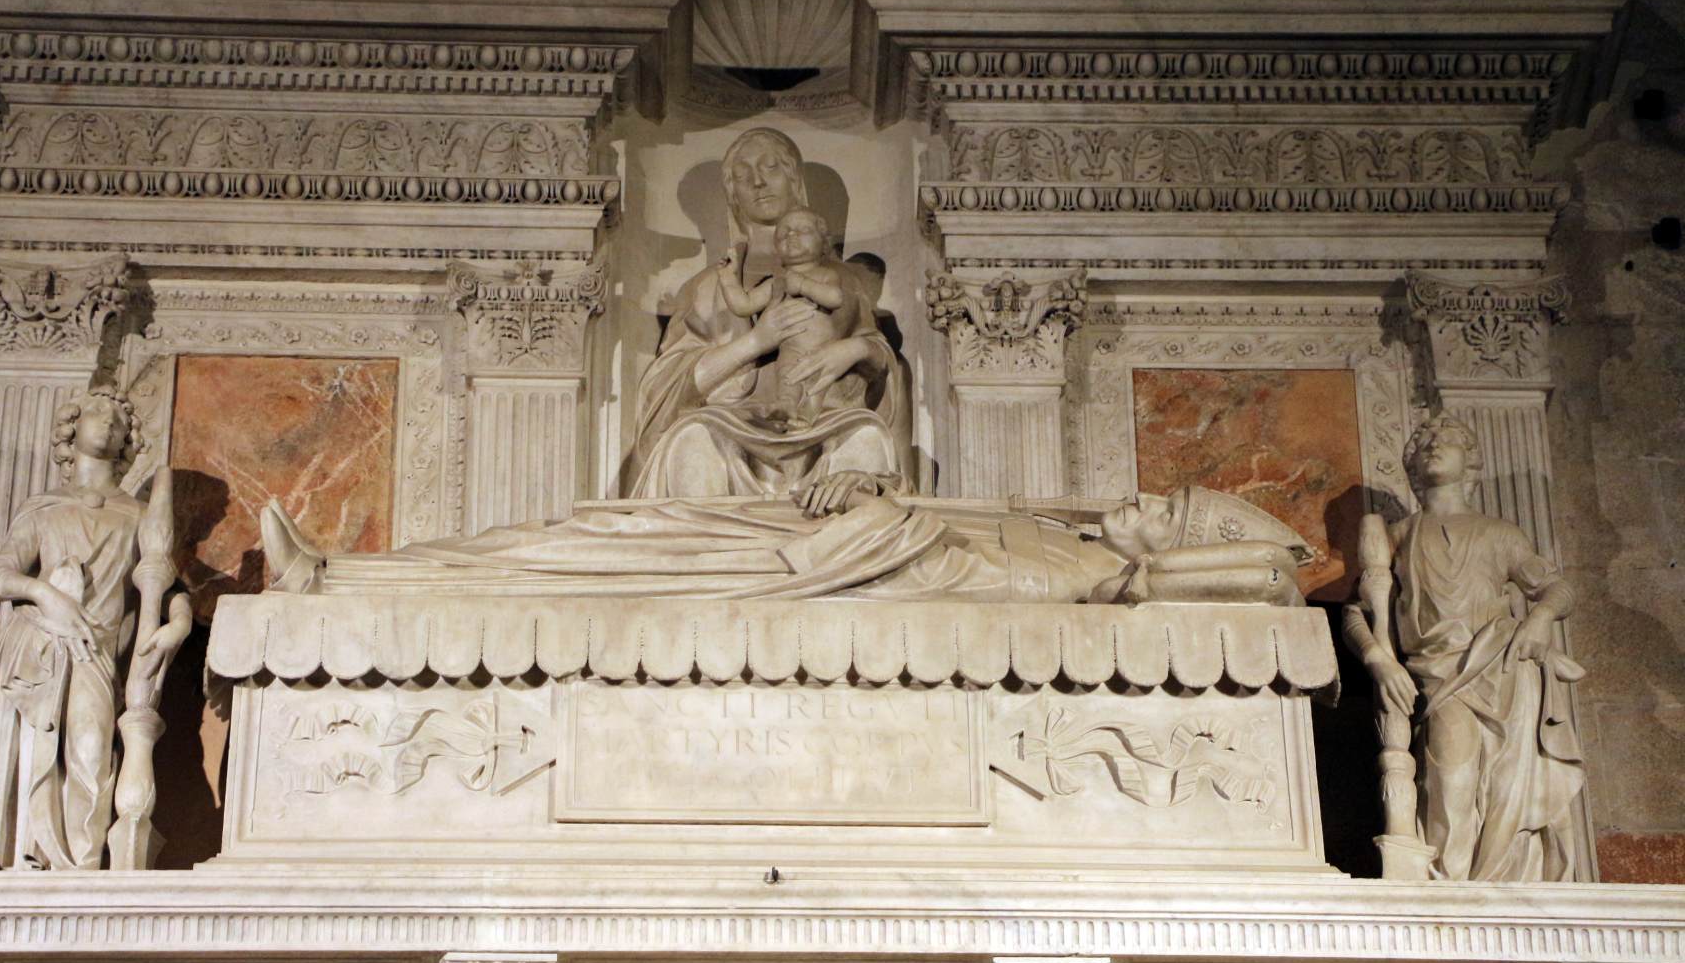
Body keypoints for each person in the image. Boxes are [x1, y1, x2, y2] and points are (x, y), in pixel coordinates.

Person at [261, 471, 1307, 607]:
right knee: (608, 522)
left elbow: (953, 576)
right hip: (803, 536)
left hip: (797, 570)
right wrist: (878, 487)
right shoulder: (1061, 525)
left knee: (588, 562)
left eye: (1167, 515)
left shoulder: (1094, 581)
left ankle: (340, 583)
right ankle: (345, 571)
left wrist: (880, 519)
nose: (1144, 504)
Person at [1342, 413, 1587, 881]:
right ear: (1412, 466)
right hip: (1438, 676)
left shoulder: (1500, 534)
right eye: (1426, 442)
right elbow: (1357, 613)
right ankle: (1451, 887)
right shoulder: (1400, 535)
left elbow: (1558, 590)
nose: (1435, 446)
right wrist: (1377, 660)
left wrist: (1538, 619)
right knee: (1450, 777)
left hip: (1504, 668)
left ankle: (1496, 884)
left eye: (1448, 441)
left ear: (1470, 462)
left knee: (1505, 785)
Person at [0, 390, 191, 870]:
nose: (108, 423)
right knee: (37, 746)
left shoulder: (137, 515)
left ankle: (81, 868)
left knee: (91, 751)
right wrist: (47, 594)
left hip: (99, 650)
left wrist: (180, 621)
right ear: (70, 431)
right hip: (40, 640)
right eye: (97, 413)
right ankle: (31, 858)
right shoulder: (45, 507)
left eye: (118, 421)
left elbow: (166, 583)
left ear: (128, 443)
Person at [627, 128, 910, 498]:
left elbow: (881, 361)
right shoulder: (709, 285)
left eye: (771, 167)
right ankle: (708, 553)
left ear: (795, 180)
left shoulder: (839, 278)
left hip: (820, 421)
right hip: (731, 426)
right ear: (734, 197)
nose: (758, 181)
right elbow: (663, 390)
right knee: (691, 440)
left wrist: (854, 350)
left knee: (866, 439)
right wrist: (755, 342)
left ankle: (834, 541)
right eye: (743, 177)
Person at [715, 208, 864, 431]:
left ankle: (809, 413)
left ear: (824, 245)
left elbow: (835, 298)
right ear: (777, 250)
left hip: (822, 347)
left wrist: (803, 285)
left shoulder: (826, 274)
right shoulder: (777, 282)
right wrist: (728, 280)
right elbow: (743, 305)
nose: (791, 235)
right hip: (790, 348)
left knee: (817, 384)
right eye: (783, 233)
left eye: (802, 230)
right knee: (787, 377)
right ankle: (785, 407)